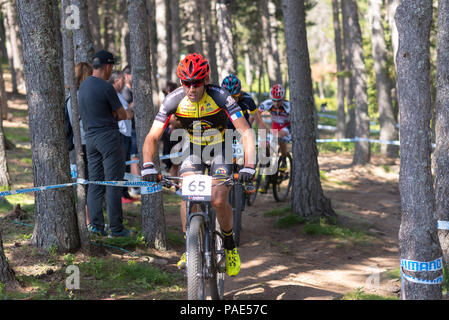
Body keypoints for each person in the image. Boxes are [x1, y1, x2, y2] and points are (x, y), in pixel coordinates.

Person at [141, 53, 256, 277]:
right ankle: (189, 247)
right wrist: (147, 164)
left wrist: (249, 165)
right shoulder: (173, 99)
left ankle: (230, 246)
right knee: (188, 193)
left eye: (196, 83)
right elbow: (152, 137)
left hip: (220, 147)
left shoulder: (221, 96)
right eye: (187, 83)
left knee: (218, 198)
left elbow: (246, 131)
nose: (192, 89)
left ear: (205, 80)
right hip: (193, 148)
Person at [78, 50, 130, 238]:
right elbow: (122, 114)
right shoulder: (106, 87)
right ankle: (116, 228)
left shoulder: (82, 87)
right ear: (107, 67)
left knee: (95, 183)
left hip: (90, 138)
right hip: (108, 137)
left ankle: (96, 226)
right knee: (113, 182)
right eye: (112, 67)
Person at [67, 62, 93, 226]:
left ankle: (88, 220)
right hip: (84, 144)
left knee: (86, 183)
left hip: (81, 144)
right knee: (86, 184)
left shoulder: (72, 97)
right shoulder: (78, 98)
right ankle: (88, 221)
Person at [108, 70, 137, 203]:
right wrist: (130, 110)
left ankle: (125, 193)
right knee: (120, 165)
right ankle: (120, 194)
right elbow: (124, 114)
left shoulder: (119, 95)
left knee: (125, 164)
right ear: (116, 81)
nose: (124, 82)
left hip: (126, 133)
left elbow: (127, 113)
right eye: (121, 80)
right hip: (119, 133)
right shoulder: (113, 94)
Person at [257, 83, 291, 193]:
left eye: (279, 100)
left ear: (283, 98)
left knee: (278, 136)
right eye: (274, 100)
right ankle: (267, 180)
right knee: (268, 151)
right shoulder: (268, 103)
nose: (276, 103)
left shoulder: (288, 106)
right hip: (275, 126)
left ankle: (285, 159)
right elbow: (256, 113)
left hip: (287, 127)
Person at [121, 65, 140, 197]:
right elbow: (125, 110)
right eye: (132, 74)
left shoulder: (131, 90)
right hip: (129, 129)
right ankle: (135, 186)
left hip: (134, 129)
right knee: (133, 157)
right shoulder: (125, 92)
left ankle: (135, 186)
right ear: (127, 76)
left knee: (135, 157)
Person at [161, 81, 182, 177]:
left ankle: (175, 183)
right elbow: (172, 120)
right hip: (171, 136)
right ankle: (174, 184)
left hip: (176, 135)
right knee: (174, 162)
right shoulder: (168, 103)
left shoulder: (178, 102)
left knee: (176, 162)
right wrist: (175, 124)